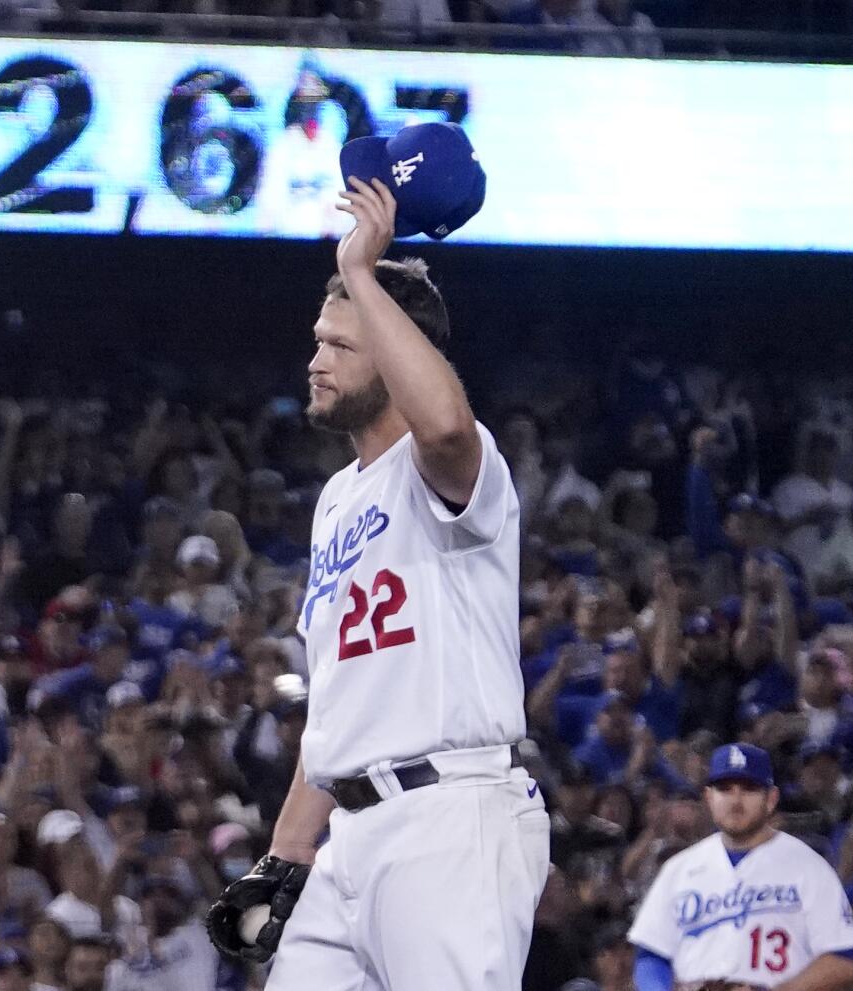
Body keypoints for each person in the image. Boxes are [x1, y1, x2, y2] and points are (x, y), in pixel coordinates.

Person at [208, 175, 548, 988]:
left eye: (340, 345)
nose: (315, 361)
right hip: (352, 836)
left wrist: (364, 271)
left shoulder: (453, 465)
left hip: (450, 816)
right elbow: (337, 702)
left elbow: (445, 424)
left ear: (397, 358)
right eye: (319, 340)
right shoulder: (335, 501)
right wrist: (286, 852)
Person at [627, 743, 853, 991]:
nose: (736, 801)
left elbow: (842, 962)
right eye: (725, 789)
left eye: (749, 789)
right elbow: (650, 957)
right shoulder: (678, 870)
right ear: (709, 798)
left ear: (771, 799)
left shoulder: (809, 867)